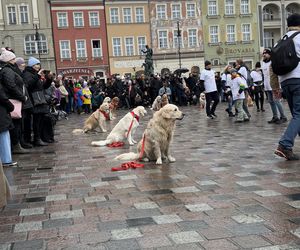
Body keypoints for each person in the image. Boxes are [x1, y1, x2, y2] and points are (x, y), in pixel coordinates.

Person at [274, 13, 300, 160]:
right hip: (298, 79)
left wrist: (277, 86)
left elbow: (273, 67)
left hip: (285, 82)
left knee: (297, 115)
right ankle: (285, 144)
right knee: (299, 114)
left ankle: (287, 148)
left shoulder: (280, 41)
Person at [261, 48, 287, 124]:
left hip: (275, 85)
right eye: (263, 53)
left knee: (277, 101)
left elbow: (278, 74)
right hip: (267, 85)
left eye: (265, 53)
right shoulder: (263, 63)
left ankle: (283, 117)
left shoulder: (274, 61)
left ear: (269, 54)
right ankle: (275, 116)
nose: (264, 55)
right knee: (271, 102)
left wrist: (279, 85)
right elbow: (264, 75)